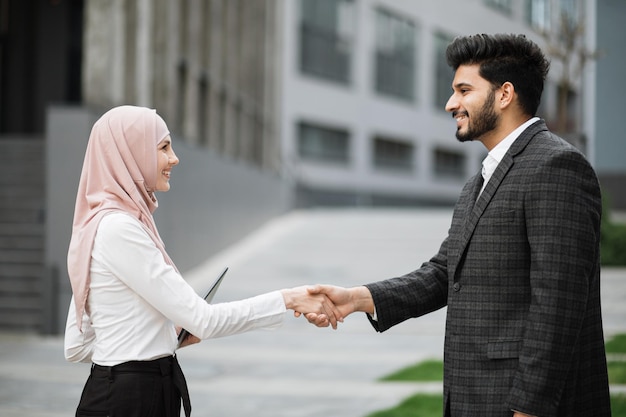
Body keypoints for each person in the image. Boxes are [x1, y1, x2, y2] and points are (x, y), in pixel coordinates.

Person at [306, 34, 611, 417]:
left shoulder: (556, 167)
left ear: (504, 94)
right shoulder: (479, 182)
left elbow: (559, 304)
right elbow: (443, 273)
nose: (451, 104)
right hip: (472, 397)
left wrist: (529, 409)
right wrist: (356, 298)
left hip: (524, 406)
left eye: (464, 90)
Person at [63, 105, 339, 417]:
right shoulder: (121, 229)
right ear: (131, 152)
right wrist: (288, 299)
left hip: (129, 393)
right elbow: (203, 320)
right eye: (163, 146)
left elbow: (77, 345)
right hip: (131, 400)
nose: (174, 158)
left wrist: (162, 338)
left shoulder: (103, 224)